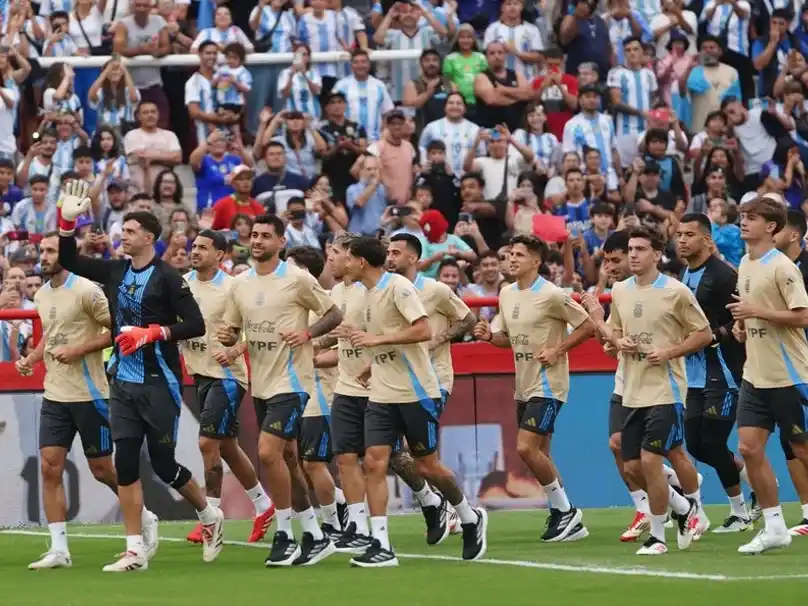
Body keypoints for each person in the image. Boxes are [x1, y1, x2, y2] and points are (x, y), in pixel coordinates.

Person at [55, 180, 223, 571]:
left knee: (164, 465)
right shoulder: (114, 271)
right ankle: (135, 550)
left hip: (159, 382)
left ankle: (208, 514)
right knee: (126, 464)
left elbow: (196, 324)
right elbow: (71, 261)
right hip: (123, 383)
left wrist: (155, 332)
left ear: (149, 237)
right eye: (122, 230)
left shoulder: (167, 277)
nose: (122, 236)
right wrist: (66, 221)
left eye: (130, 232)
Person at [342, 235, 487, 567]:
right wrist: (371, 363)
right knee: (375, 462)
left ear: (361, 261)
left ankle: (468, 515)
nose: (344, 264)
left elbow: (422, 331)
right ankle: (380, 544)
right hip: (381, 392)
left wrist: (377, 340)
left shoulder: (399, 288)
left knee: (427, 466)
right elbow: (383, 341)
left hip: (416, 391)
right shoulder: (365, 294)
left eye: (348, 258)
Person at [16, 233, 158, 570]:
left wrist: (78, 350)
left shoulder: (87, 291)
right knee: (49, 466)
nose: (44, 256)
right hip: (55, 394)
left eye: (50, 250)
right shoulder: (40, 293)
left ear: (66, 254)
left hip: (91, 394)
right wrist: (33, 358)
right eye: (42, 251)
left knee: (102, 470)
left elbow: (118, 329)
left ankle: (145, 516)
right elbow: (53, 334)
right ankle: (59, 549)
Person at [217, 214, 343, 566]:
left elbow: (334, 314)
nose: (257, 241)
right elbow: (232, 328)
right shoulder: (239, 284)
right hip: (263, 383)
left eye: (265, 236)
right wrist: (229, 338)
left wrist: (307, 334)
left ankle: (285, 534)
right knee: (287, 459)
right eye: (254, 235)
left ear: (280, 242)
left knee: (268, 453)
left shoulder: (298, 279)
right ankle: (315, 535)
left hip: (293, 381)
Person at [583, 228, 710, 555]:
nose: (634, 254)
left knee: (652, 460)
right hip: (632, 391)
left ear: (657, 254)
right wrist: (615, 340)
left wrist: (669, 352)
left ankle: (657, 537)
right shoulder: (621, 290)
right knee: (632, 466)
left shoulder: (676, 292)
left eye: (641, 249)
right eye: (631, 249)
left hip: (666, 390)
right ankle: (684, 509)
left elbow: (704, 334)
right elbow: (617, 332)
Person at [472, 234, 593, 542]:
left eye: (519, 255)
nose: (512, 259)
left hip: (549, 383)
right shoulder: (507, 293)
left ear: (536, 262)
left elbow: (588, 325)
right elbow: (506, 339)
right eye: (510, 253)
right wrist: (489, 336)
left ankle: (567, 512)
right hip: (523, 385)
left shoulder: (551, 294)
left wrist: (558, 349)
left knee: (526, 448)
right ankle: (564, 516)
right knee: (541, 454)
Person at [182, 230, 276, 545]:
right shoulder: (183, 284)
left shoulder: (234, 287)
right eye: (193, 247)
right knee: (227, 447)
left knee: (207, 443)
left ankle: (211, 515)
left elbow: (257, 327)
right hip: (199, 373)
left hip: (228, 376)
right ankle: (264, 506)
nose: (195, 252)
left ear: (220, 255)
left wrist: (235, 348)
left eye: (203, 248)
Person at [727, 196, 808, 554]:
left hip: (789, 376)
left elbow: (802, 316)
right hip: (754, 376)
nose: (744, 222)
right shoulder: (744, 263)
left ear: (771, 227)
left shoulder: (783, 267)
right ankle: (775, 526)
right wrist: (742, 325)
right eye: (743, 216)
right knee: (748, 447)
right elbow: (749, 309)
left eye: (752, 218)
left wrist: (755, 311)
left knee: (802, 450)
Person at [387, 233, 476, 531]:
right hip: (397, 381)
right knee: (390, 452)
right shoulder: (385, 289)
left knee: (421, 452)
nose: (389, 258)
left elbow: (467, 319)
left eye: (396, 252)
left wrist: (438, 339)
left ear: (413, 258)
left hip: (434, 380)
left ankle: (455, 508)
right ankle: (434, 500)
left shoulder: (435, 290)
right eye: (388, 252)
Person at [675, 213, 750, 534]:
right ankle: (754, 478)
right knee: (695, 444)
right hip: (693, 374)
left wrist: (713, 336)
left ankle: (741, 512)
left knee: (714, 441)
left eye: (689, 235)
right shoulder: (684, 273)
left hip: (724, 372)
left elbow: (742, 320)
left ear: (707, 240)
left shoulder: (722, 276)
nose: (681, 240)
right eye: (679, 234)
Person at [284, 245, 347, 542]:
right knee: (297, 462)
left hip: (319, 390)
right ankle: (339, 503)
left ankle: (332, 523)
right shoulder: (287, 301)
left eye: (290, 266)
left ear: (305, 271)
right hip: (289, 389)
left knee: (313, 462)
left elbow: (343, 344)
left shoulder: (325, 304)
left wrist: (313, 353)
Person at [773, 209, 808, 535]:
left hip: (803, 364)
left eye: (779, 227)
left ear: (794, 234)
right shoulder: (769, 266)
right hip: (783, 365)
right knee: (791, 440)